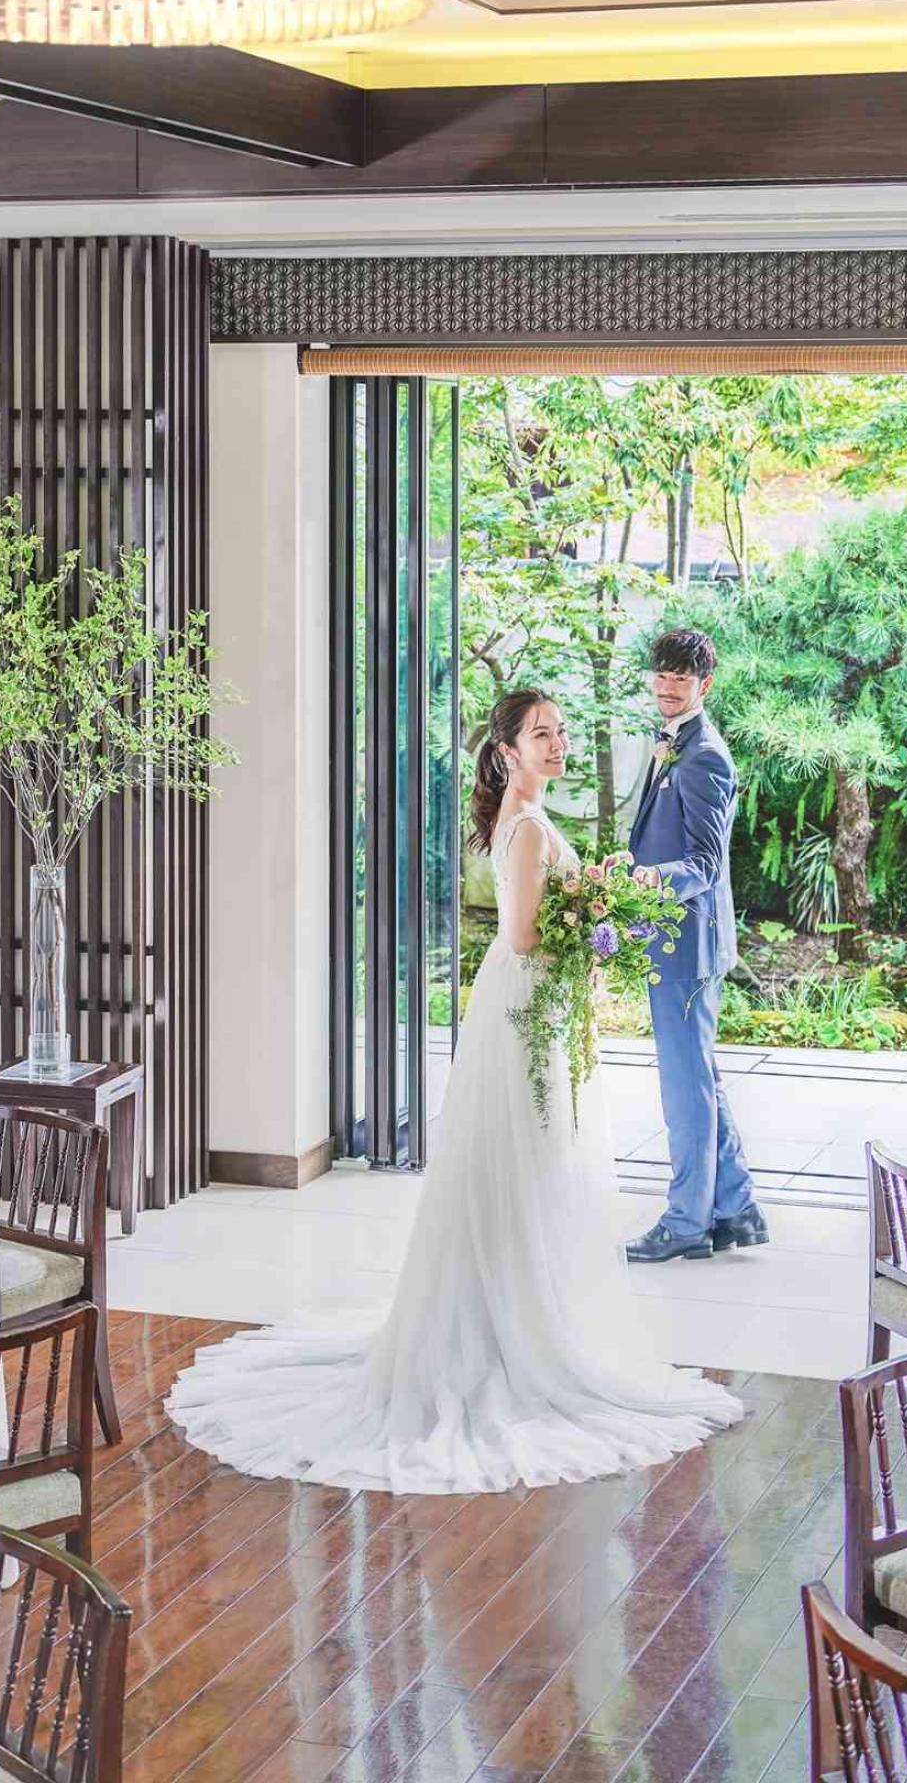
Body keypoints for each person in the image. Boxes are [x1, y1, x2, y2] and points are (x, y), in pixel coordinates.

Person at [165, 688, 743, 1495]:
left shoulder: (529, 816)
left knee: (534, 1171)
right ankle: (509, 1331)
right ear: (507, 750)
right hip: (522, 1008)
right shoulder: (528, 826)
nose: (559, 743)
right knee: (521, 1165)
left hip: (531, 1005)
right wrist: (596, 909)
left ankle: (526, 1312)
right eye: (543, 734)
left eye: (562, 730)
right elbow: (524, 936)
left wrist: (593, 902)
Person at [625, 629, 768, 1264]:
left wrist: (653, 879)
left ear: (704, 685)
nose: (665, 685)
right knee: (698, 1076)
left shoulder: (705, 753)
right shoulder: (672, 742)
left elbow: (705, 863)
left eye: (679, 678)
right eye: (660, 673)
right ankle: (734, 1209)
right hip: (673, 935)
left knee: (684, 1085)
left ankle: (686, 1222)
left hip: (688, 940)